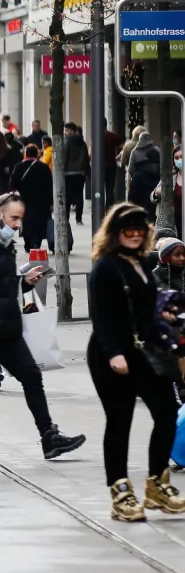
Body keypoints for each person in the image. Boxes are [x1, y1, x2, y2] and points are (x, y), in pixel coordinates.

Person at [0, 193, 86, 467]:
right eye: (14, 218)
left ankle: (49, 437)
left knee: (32, 377)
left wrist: (24, 284)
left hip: (7, 332)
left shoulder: (3, 245)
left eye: (20, 218)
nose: (17, 224)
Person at [87, 203, 185, 521]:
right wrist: (114, 353)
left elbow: (147, 309)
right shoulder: (106, 267)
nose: (135, 234)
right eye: (128, 229)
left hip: (143, 351)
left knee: (167, 412)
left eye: (140, 229)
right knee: (120, 420)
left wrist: (167, 317)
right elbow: (100, 315)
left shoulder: (143, 262)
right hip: (109, 353)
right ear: (115, 232)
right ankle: (120, 492)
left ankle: (157, 484)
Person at [10, 144, 53, 250]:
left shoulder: (18, 166)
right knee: (40, 221)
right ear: (37, 154)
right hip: (41, 201)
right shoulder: (43, 167)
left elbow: (12, 184)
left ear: (25, 154)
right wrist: (51, 201)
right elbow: (49, 185)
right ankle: (36, 242)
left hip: (24, 200)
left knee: (25, 220)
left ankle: (27, 242)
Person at [61, 121, 90, 225]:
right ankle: (78, 218)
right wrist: (86, 171)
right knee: (79, 196)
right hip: (80, 173)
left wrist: (62, 170)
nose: (65, 132)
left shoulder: (66, 142)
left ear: (72, 130)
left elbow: (64, 157)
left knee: (67, 197)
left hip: (68, 173)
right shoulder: (83, 143)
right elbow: (86, 158)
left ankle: (67, 217)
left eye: (67, 130)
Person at [127, 130, 160, 216]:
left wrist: (137, 176)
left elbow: (131, 169)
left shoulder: (134, 152)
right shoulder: (157, 150)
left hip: (140, 183)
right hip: (156, 183)